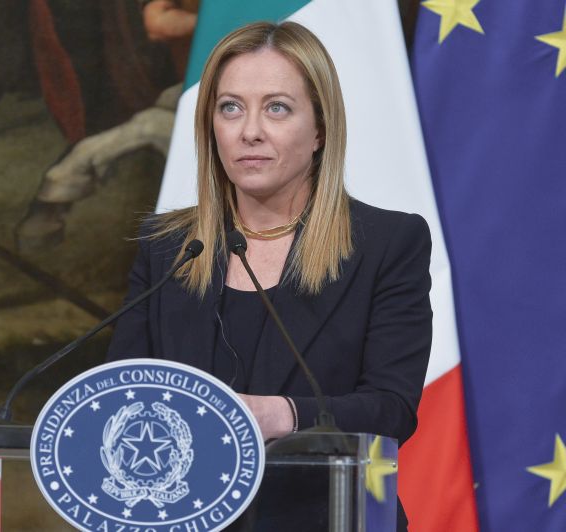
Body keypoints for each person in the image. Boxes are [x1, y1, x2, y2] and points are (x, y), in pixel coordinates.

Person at [106, 21, 432, 531]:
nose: (249, 131)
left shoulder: (386, 244)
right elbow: (121, 396)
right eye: (230, 107)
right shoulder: (167, 247)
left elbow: (391, 409)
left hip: (327, 517)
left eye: (277, 107)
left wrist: (280, 414)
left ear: (320, 129)